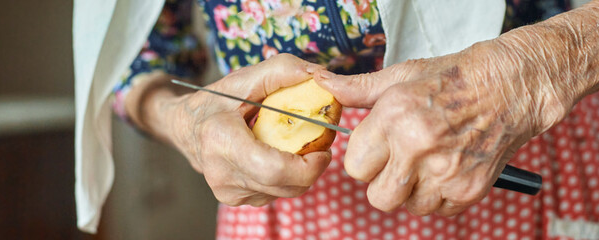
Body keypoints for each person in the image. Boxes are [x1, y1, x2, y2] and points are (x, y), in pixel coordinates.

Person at [84, 0, 599, 238]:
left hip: (511, 145)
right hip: (281, 207)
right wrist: (185, 120)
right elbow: (134, 54)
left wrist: (534, 72)